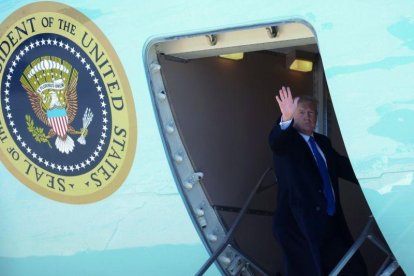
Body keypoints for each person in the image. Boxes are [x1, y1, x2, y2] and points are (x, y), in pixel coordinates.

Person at [269, 86, 367, 275]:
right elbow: (276, 142)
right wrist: (286, 118)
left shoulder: (322, 142)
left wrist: (376, 178)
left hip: (329, 223)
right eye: (302, 112)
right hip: (299, 227)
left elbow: (344, 168)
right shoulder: (288, 143)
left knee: (353, 269)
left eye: (311, 112)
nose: (308, 116)